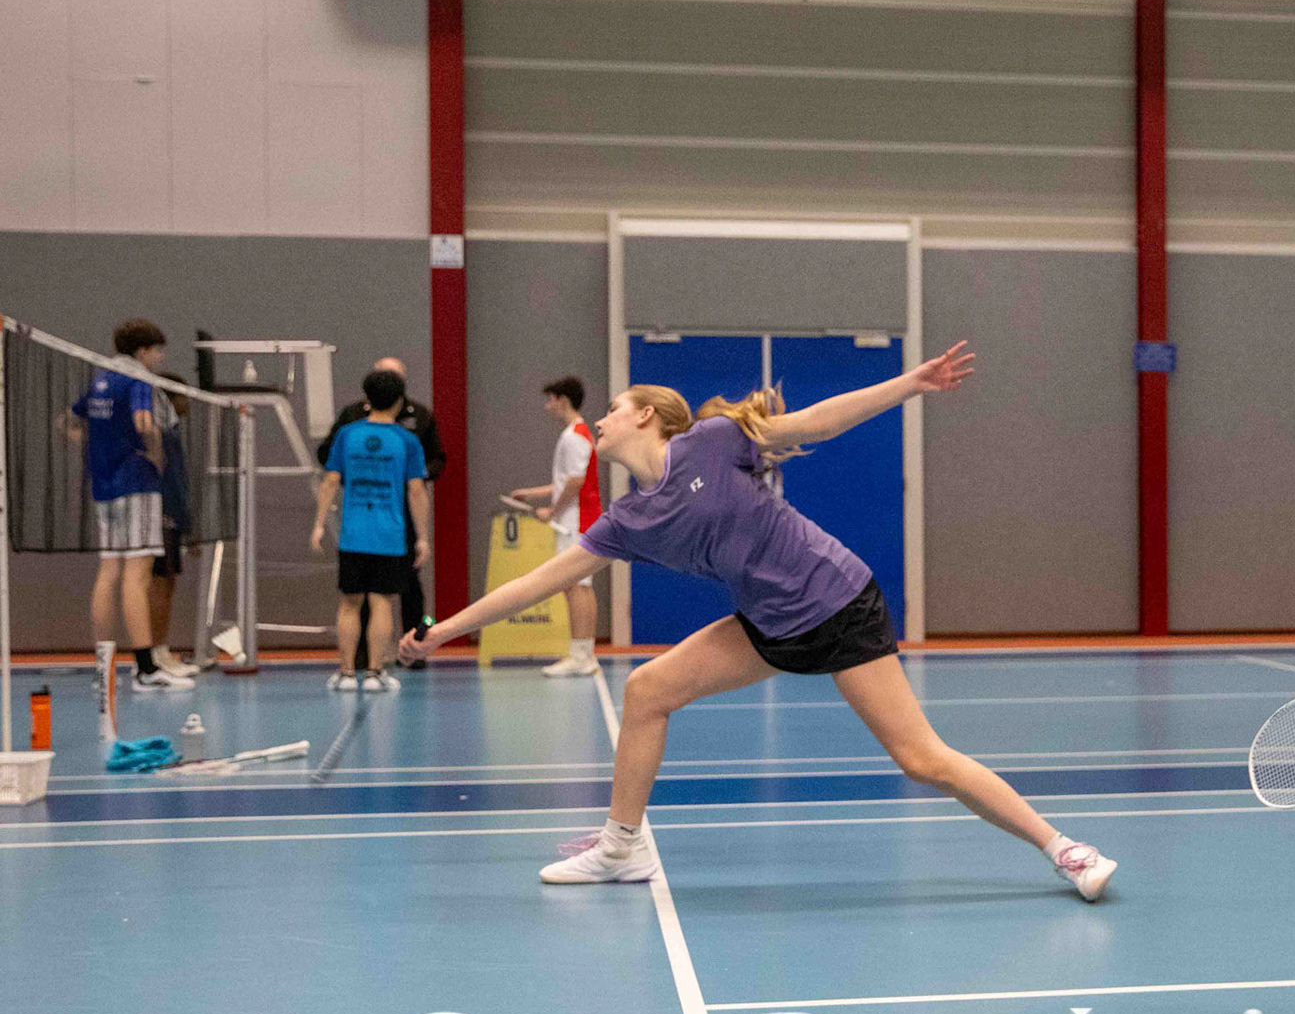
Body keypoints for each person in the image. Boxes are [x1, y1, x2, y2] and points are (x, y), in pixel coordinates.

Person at [401, 344, 1119, 901]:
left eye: (614, 408)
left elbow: (815, 422)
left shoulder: (713, 441)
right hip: (769, 623)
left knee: (920, 759)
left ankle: (1065, 850)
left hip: (837, 601)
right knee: (648, 691)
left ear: (646, 416)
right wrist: (444, 631)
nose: (603, 419)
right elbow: (537, 581)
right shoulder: (628, 519)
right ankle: (621, 849)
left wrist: (910, 383)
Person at [65, 319, 195, 693]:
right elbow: (144, 422)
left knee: (109, 572)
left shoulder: (101, 380)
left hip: (105, 488)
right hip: (137, 485)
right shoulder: (138, 378)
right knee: (138, 575)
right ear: (143, 351)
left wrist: (98, 450)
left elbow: (68, 421)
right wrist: (155, 454)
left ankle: (103, 670)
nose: (160, 358)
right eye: (158, 351)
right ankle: (146, 670)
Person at [316, 357, 445, 668]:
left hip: (363, 527)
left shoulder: (352, 433)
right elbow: (416, 490)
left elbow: (330, 479)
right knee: (380, 601)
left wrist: (318, 524)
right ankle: (372, 667)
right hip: (389, 529)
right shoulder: (403, 439)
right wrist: (424, 538)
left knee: (356, 599)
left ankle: (349, 670)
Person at [507, 375, 603, 677]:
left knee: (577, 585)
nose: (548, 406)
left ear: (563, 400)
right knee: (578, 585)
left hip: (578, 519)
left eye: (551, 399)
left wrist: (551, 511)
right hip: (577, 517)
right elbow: (567, 482)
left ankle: (582, 656)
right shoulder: (577, 434)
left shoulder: (574, 436)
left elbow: (575, 483)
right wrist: (532, 494)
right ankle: (583, 654)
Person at [147, 373, 200, 678]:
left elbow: (180, 482)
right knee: (159, 585)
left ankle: (161, 650)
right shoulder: (162, 434)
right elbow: (170, 481)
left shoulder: (173, 432)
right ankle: (154, 653)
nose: (188, 400)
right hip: (161, 516)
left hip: (172, 517)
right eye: (182, 394)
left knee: (167, 585)